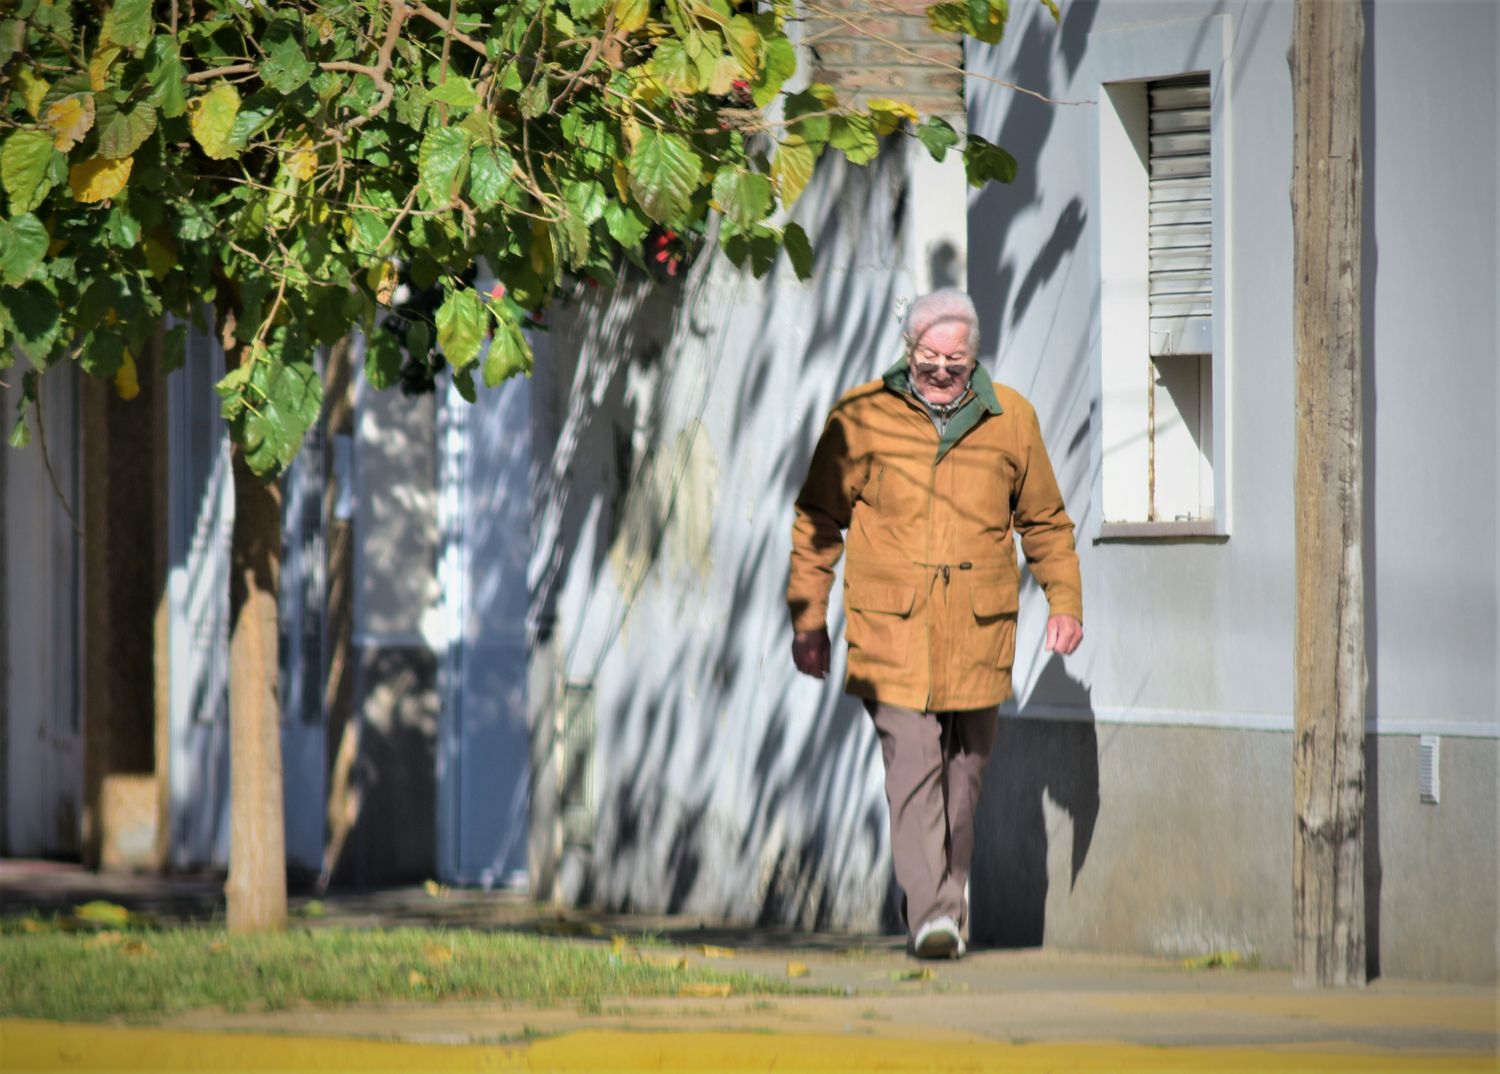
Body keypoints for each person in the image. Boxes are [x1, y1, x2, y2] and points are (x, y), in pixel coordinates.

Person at [786, 288, 1083, 959]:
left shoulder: (1012, 420)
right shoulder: (861, 417)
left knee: (964, 777)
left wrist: (1064, 601)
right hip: (889, 631)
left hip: (978, 633)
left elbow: (1044, 522)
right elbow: (817, 520)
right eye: (930, 358)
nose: (943, 371)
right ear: (908, 350)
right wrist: (808, 618)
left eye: (955, 359)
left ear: (973, 355)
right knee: (914, 764)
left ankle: (935, 900)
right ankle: (935, 915)